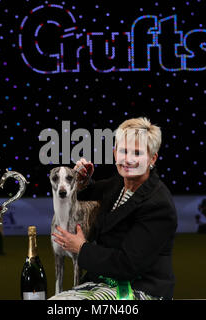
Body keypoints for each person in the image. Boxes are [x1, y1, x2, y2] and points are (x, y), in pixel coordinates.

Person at [50, 117, 178, 300]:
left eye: (137, 153)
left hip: (141, 289)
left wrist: (82, 248)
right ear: (114, 152)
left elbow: (127, 265)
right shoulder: (118, 183)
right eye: (123, 151)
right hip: (102, 282)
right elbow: (86, 194)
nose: (128, 159)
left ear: (152, 159)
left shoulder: (159, 205)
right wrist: (81, 182)